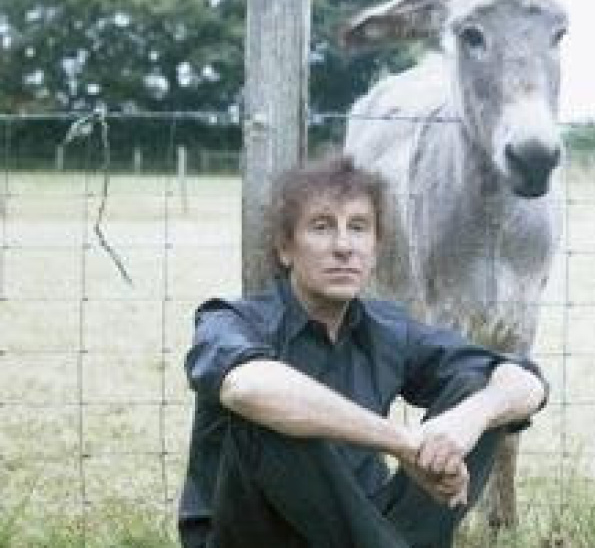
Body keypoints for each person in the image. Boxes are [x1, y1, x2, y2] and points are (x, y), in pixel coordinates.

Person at [177, 155, 549, 548]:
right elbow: (247, 388)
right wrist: (403, 442)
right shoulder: (232, 320)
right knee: (270, 411)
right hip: (254, 535)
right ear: (286, 248)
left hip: (363, 529)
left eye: (358, 228)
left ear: (375, 250)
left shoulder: (389, 330)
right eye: (322, 227)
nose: (343, 247)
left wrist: (467, 421)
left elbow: (526, 383)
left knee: (477, 386)